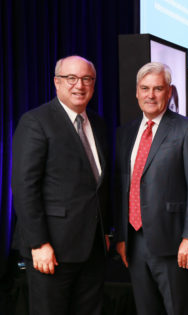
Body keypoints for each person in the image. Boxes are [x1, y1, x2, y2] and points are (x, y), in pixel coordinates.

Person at [12, 55, 110, 315]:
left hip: (92, 249)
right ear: (57, 83)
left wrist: (107, 231)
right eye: (71, 78)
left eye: (87, 79)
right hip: (51, 250)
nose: (79, 85)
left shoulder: (98, 123)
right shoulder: (36, 121)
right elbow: (24, 187)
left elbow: (98, 186)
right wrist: (38, 243)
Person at [115, 62, 188, 315]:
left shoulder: (187, 129)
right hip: (134, 243)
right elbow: (122, 186)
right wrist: (122, 237)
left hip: (173, 241)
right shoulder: (125, 133)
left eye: (158, 88)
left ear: (169, 92)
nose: (151, 95)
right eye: (145, 88)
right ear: (136, 92)